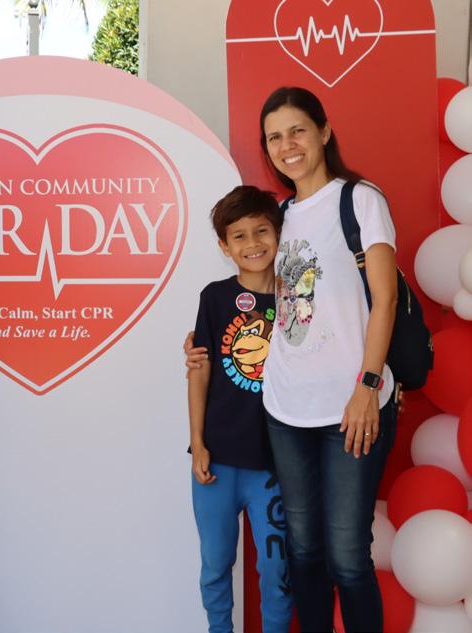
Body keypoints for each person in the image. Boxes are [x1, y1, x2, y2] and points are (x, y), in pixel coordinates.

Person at [187, 87, 398, 632]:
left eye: (298, 130)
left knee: (347, 557)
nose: (287, 145)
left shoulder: (360, 200)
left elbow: (385, 299)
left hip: (352, 407)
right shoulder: (279, 216)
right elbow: (269, 298)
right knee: (302, 552)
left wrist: (368, 385)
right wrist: (203, 338)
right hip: (286, 411)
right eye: (275, 137)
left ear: (324, 132)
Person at [187, 185, 292, 633]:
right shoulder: (215, 297)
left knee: (276, 572)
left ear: (278, 234)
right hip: (218, 461)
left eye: (262, 231)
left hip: (277, 463)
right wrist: (197, 443)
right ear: (224, 246)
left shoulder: (299, 300)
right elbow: (200, 372)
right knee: (215, 563)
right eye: (239, 236)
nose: (253, 244)